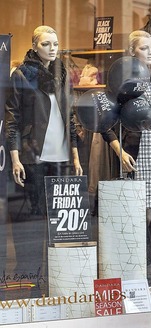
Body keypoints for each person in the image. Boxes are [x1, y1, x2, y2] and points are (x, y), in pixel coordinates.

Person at [5, 25, 83, 297]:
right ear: (35, 46)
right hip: (34, 157)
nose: (53, 48)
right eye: (47, 44)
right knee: (35, 221)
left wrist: (74, 153)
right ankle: (28, 281)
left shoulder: (61, 74)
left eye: (56, 43)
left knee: (59, 224)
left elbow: (70, 115)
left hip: (60, 157)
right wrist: (15, 158)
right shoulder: (23, 75)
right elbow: (12, 118)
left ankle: (56, 281)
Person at [101, 30, 151, 265]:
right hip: (134, 150)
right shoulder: (121, 80)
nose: (150, 52)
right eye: (144, 48)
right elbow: (104, 120)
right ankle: (134, 260)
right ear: (132, 51)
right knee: (137, 210)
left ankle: (150, 262)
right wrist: (118, 150)